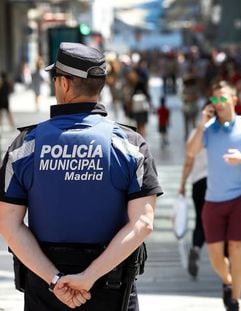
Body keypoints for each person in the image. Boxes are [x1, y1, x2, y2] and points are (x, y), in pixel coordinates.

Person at [0, 42, 163, 311]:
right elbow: (143, 222)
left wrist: (55, 280)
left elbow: (8, 223)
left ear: (64, 84)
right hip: (111, 286)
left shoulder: (25, 146)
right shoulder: (131, 145)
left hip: (45, 288)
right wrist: (89, 277)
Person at [187, 81, 241, 311]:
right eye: (215, 99)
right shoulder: (209, 129)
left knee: (235, 248)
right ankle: (228, 282)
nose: (219, 103)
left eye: (223, 98)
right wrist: (202, 124)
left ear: (234, 100)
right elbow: (191, 152)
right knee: (213, 252)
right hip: (213, 199)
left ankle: (234, 301)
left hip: (240, 197)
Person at [179, 130, 208, 278]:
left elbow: (188, 161)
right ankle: (227, 256)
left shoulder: (196, 133)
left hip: (199, 182)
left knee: (200, 220)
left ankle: (196, 248)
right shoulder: (225, 131)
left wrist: (183, 183)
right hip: (219, 183)